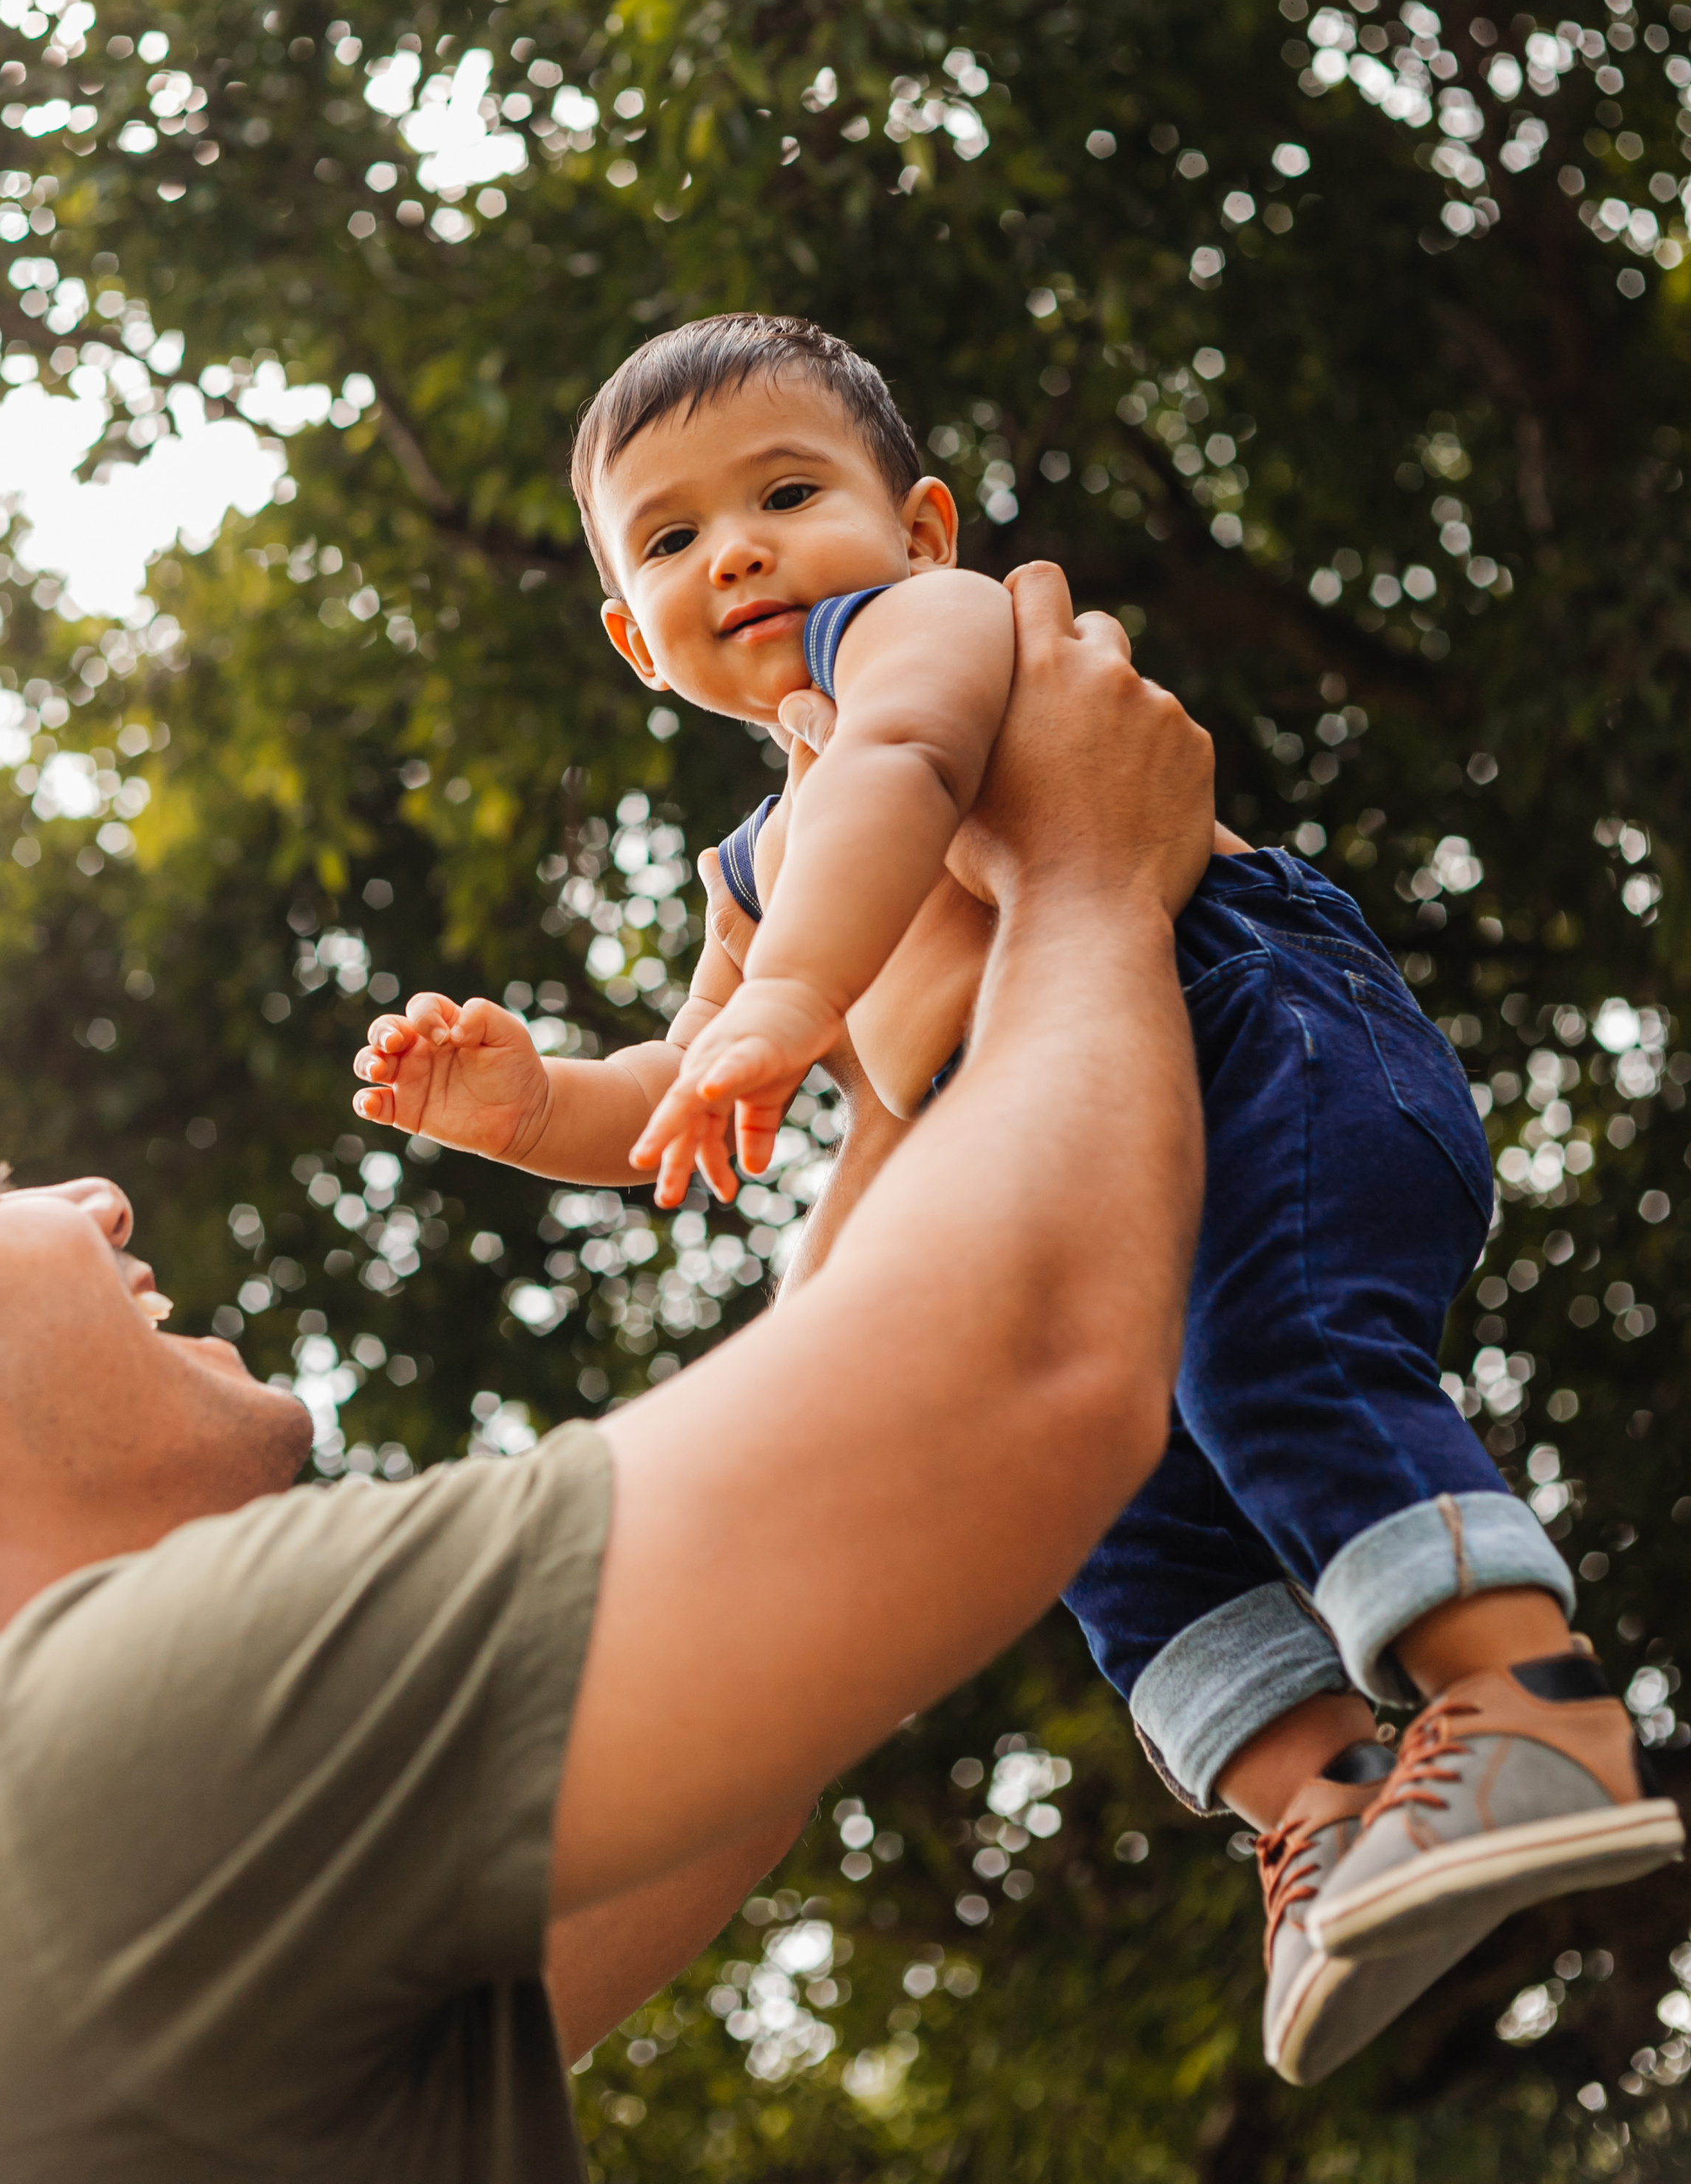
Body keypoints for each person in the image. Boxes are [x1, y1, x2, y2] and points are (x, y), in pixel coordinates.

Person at [356, 316, 1680, 2086]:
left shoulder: (920, 635)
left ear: (916, 524)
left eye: (782, 492)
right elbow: (687, 1095)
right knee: (1098, 1503)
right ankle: (1328, 1814)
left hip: (1257, 1046)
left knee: (1271, 1355)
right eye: (667, 541)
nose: (732, 550)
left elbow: (900, 773)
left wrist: (781, 1007)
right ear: (629, 636)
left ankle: (1531, 1703)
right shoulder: (753, 868)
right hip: (1101, 1179)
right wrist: (532, 1112)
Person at [0, 563, 1215, 2179]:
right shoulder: (55, 1790)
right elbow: (1006, 1389)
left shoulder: (21, 1924)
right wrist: (1088, 873)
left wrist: (902, 1032)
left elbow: (798, 1622)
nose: (92, 1195)